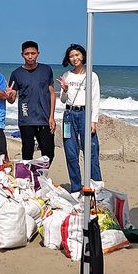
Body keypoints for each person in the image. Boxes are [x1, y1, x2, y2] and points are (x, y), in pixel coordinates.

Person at [57, 44, 102, 193]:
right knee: (70, 151)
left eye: (77, 55)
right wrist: (65, 90)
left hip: (85, 114)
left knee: (91, 150)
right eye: (71, 56)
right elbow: (63, 100)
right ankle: (76, 188)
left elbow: (95, 99)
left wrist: (93, 120)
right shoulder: (66, 75)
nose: (74, 58)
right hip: (69, 114)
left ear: (83, 56)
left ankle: (95, 186)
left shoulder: (92, 75)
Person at [7, 40, 56, 163]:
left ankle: (41, 173)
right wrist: (8, 95)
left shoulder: (46, 69)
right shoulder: (16, 73)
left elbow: (52, 93)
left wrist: (51, 117)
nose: (30, 56)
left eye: (33, 53)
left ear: (38, 53)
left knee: (49, 153)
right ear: (22, 54)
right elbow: (12, 100)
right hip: (26, 119)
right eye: (27, 53)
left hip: (44, 119)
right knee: (27, 153)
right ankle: (29, 174)